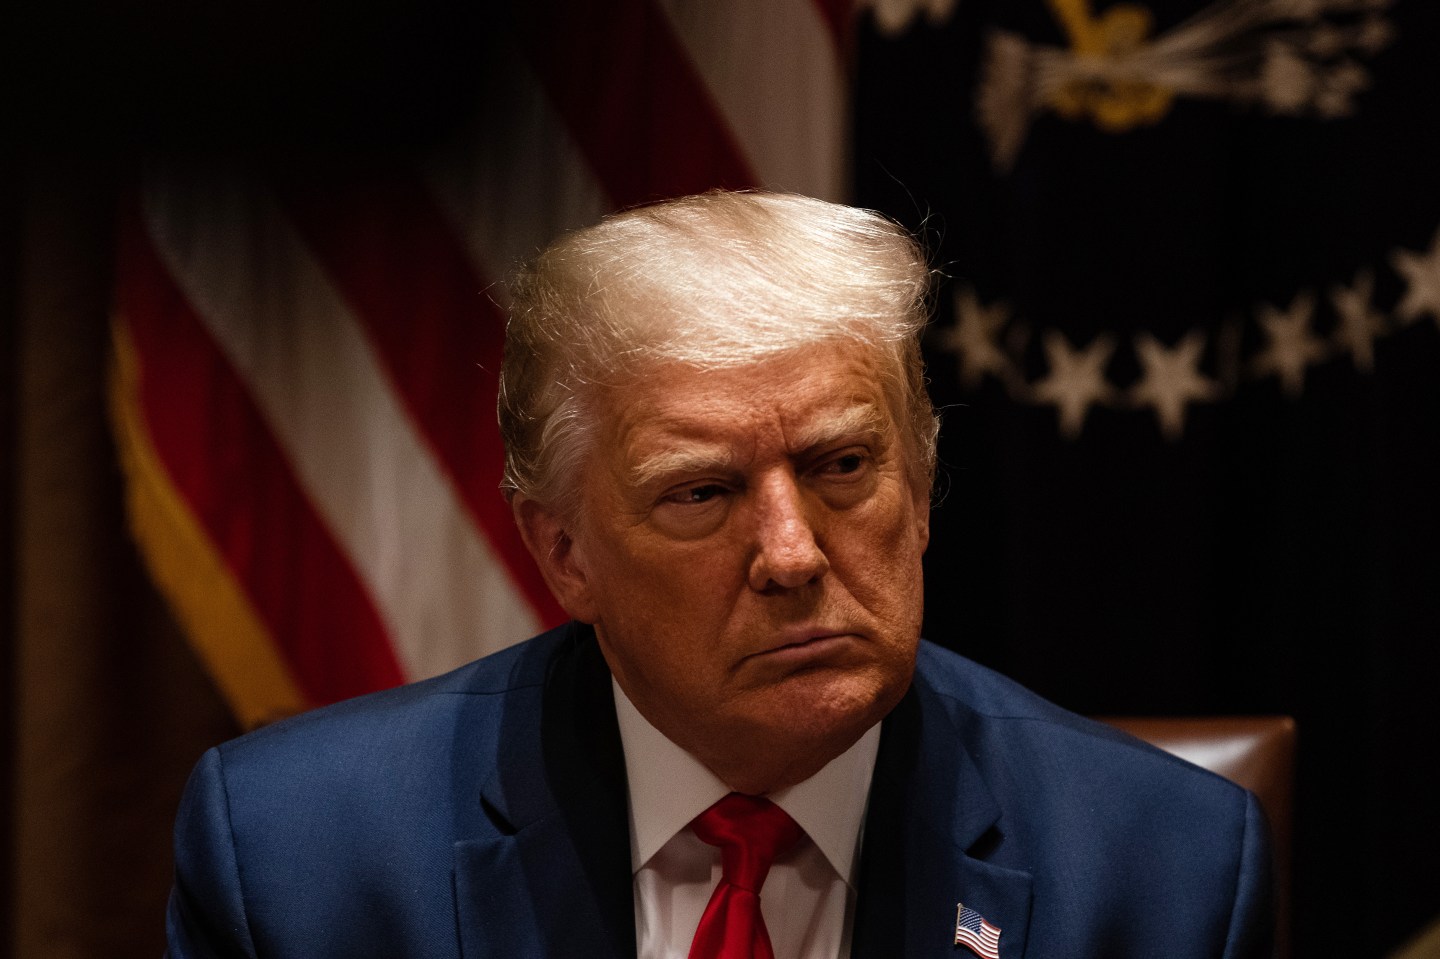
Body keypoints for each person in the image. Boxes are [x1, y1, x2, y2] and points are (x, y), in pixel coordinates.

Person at [165, 191, 1273, 958]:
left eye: (843, 466)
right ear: (563, 551)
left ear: (923, 491)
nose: (793, 553)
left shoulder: (1161, 873)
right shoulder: (300, 858)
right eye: (702, 492)